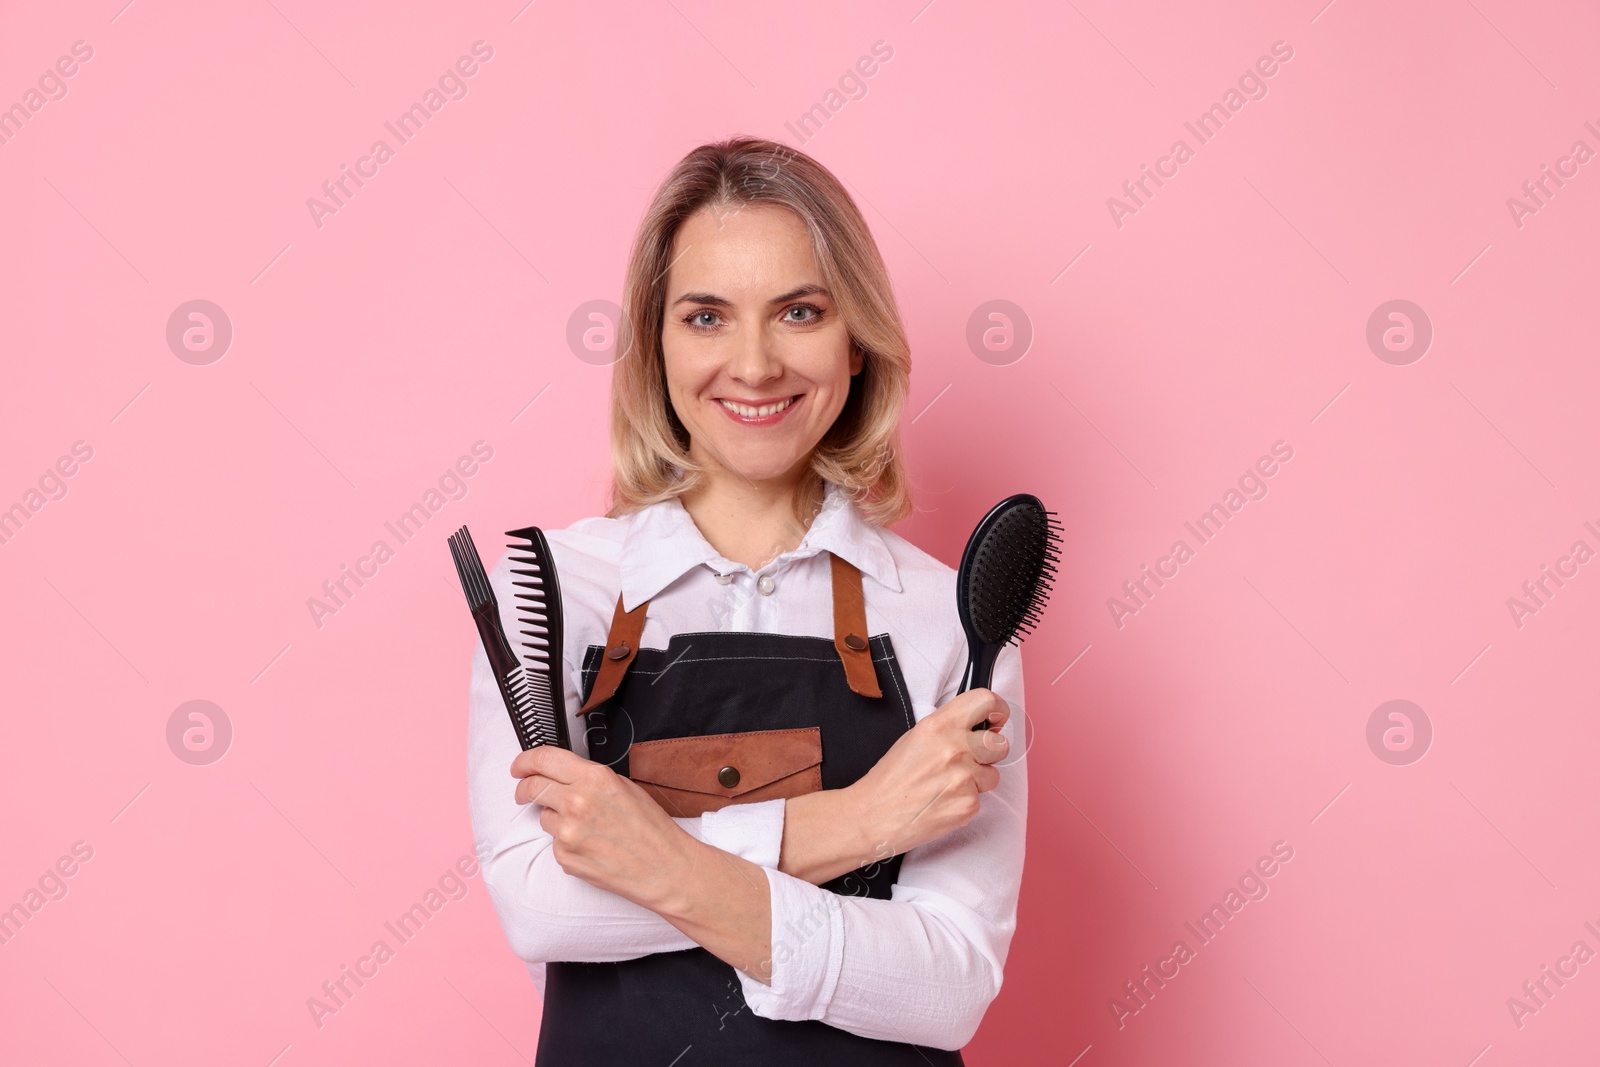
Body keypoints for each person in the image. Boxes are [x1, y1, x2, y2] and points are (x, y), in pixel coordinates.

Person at [466, 136, 1027, 1065]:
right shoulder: (564, 590)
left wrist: (655, 861)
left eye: (799, 311)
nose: (756, 364)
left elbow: (947, 985)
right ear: (656, 342)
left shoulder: (952, 619)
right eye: (706, 316)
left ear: (856, 339)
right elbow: (538, 903)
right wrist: (859, 824)